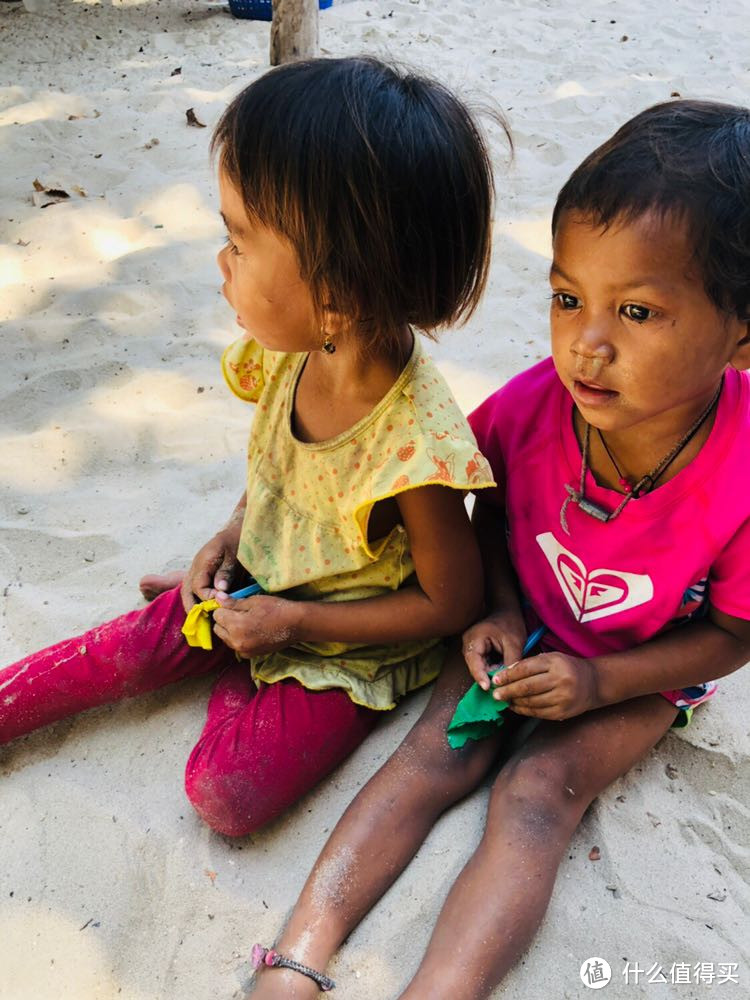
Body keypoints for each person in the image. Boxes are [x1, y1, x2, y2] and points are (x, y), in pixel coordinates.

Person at [250, 99, 750, 999]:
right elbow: (489, 505)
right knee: (436, 753)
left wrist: (599, 683)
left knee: (535, 798)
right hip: (520, 629)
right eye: (567, 299)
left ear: (743, 333)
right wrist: (501, 607)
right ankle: (295, 959)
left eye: (636, 311)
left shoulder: (742, 472)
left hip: (643, 665)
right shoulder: (533, 406)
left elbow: (732, 633)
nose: (586, 345)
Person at [0, 58, 499, 841]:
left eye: (238, 240)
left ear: (337, 293)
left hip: (342, 649)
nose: (221, 264)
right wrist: (231, 534)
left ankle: (239, 663)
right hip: (259, 580)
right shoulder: (294, 348)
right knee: (114, 654)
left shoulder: (418, 448)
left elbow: (451, 605)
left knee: (225, 795)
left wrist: (288, 627)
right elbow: (276, 470)